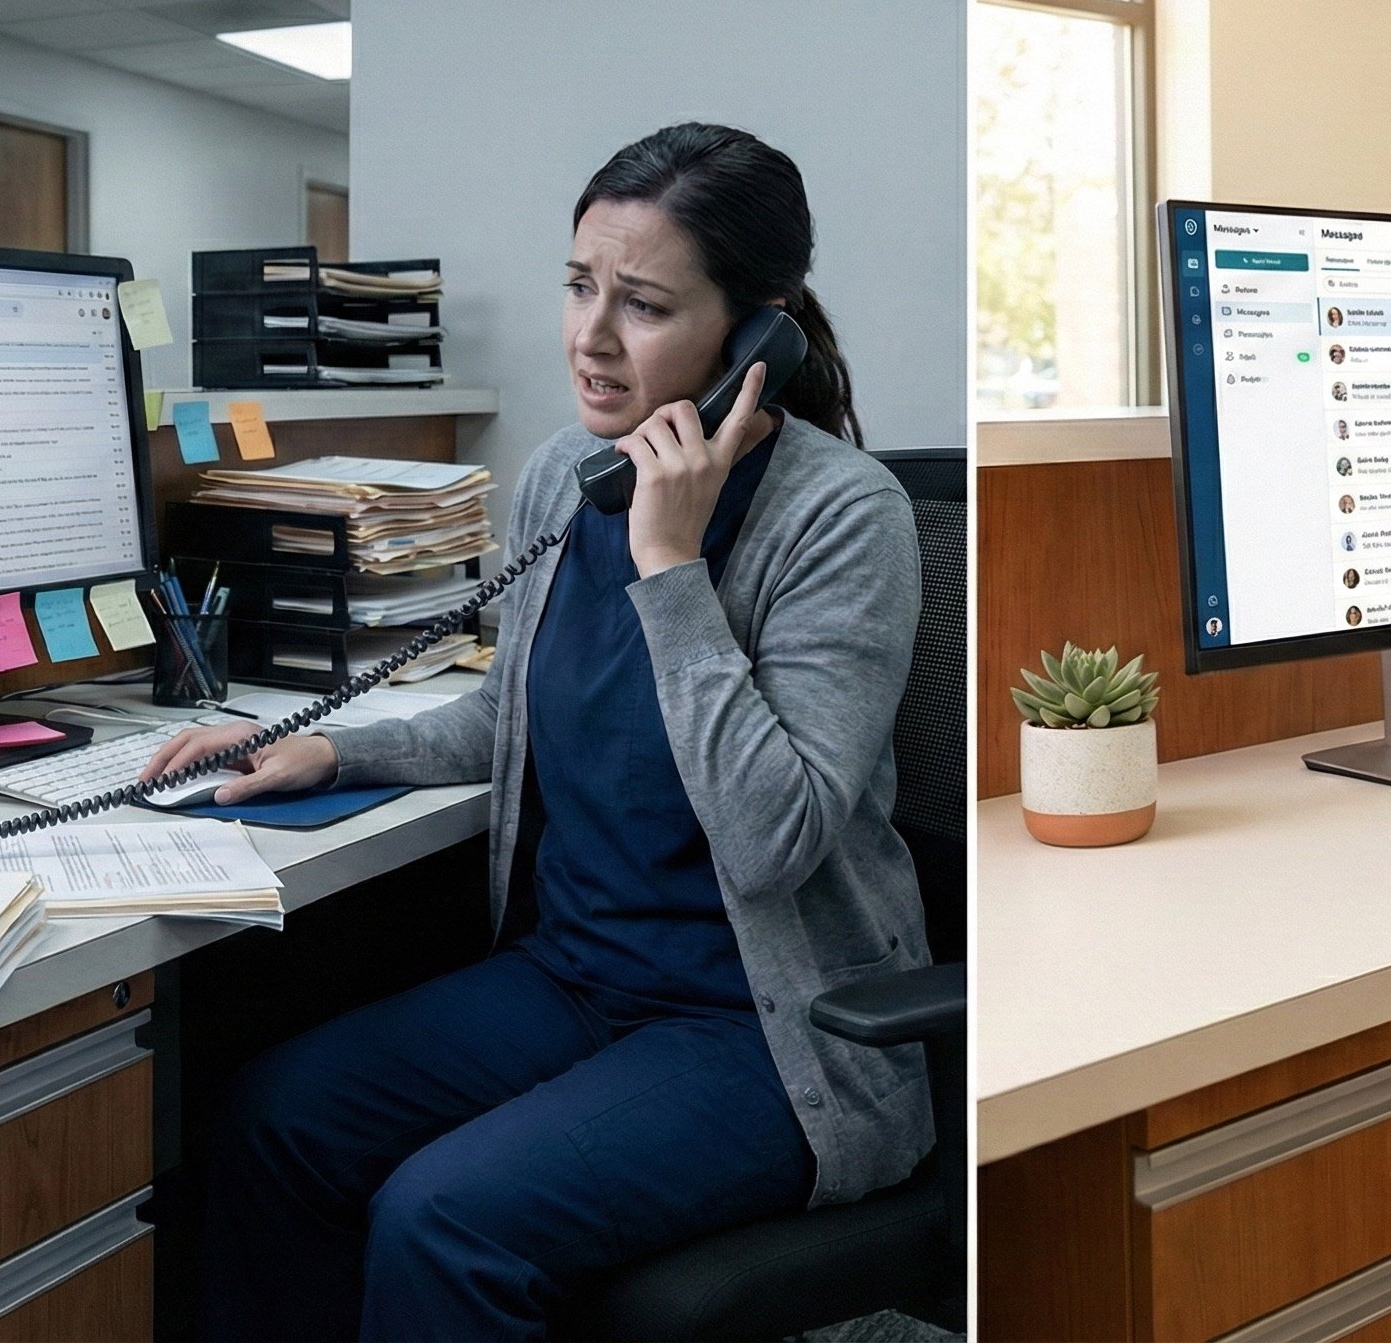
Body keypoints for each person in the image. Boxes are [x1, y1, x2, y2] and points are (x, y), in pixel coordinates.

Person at [165, 122, 932, 1341]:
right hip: (578, 975)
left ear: (754, 333)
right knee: (279, 1116)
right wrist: (334, 747)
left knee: (442, 1218)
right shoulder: (561, 480)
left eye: (643, 305)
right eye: (580, 287)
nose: (589, 336)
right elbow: (507, 718)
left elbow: (773, 836)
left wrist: (669, 568)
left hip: (768, 1033)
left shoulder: (842, 517)